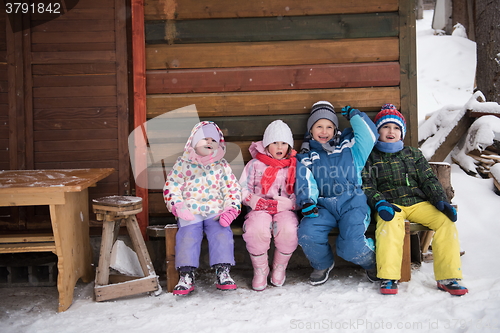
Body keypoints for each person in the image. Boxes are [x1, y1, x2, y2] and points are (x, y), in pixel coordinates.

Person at [362, 104, 468, 296]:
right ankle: (388, 276)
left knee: (445, 222)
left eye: (396, 128)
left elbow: (429, 179)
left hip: (417, 203)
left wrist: (440, 201)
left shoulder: (413, 154)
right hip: (390, 204)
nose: (391, 131)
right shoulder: (371, 158)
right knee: (388, 225)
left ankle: (449, 277)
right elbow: (367, 185)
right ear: (378, 131)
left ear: (401, 133)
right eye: (386, 127)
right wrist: (379, 202)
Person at [295, 101, 379, 285]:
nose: (324, 131)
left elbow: (370, 136)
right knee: (307, 232)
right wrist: (308, 201)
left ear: (335, 129)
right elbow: (305, 180)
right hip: (323, 205)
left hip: (352, 202)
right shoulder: (306, 156)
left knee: (351, 245)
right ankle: (322, 263)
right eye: (319, 126)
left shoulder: (350, 148)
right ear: (311, 130)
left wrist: (355, 117)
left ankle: (370, 261)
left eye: (329, 126)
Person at [163, 121, 242, 295]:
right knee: (188, 234)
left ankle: (223, 270)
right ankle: (186, 273)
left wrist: (231, 209)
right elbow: (172, 186)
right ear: (194, 142)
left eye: (213, 140)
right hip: (189, 210)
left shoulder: (222, 166)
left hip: (215, 210)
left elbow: (232, 189)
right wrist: (178, 205)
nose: (209, 143)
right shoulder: (182, 164)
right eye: (204, 139)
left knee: (221, 231)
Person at [239, 120, 299, 291]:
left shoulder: (294, 166)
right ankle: (260, 270)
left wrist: (291, 203)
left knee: (289, 229)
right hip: (259, 208)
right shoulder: (254, 165)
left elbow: (303, 190)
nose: (279, 147)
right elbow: (242, 188)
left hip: (284, 209)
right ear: (266, 145)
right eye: (274, 143)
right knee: (256, 229)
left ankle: (280, 268)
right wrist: (252, 200)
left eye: (283, 143)